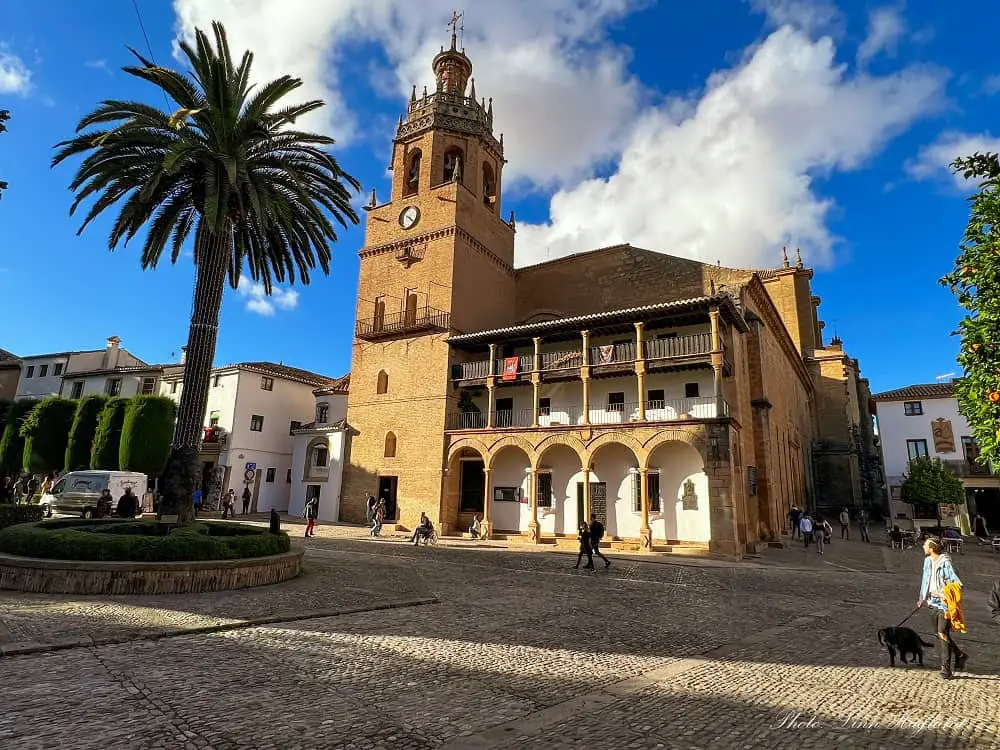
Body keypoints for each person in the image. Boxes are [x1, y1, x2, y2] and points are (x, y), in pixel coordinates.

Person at [918, 537, 968, 679]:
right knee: (938, 634)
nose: (923, 546)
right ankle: (959, 654)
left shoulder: (946, 562)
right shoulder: (927, 561)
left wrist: (946, 595)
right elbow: (925, 579)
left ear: (932, 548)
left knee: (942, 633)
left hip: (944, 604)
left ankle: (945, 669)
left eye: (925, 545)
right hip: (931, 603)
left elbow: (957, 583)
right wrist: (922, 597)